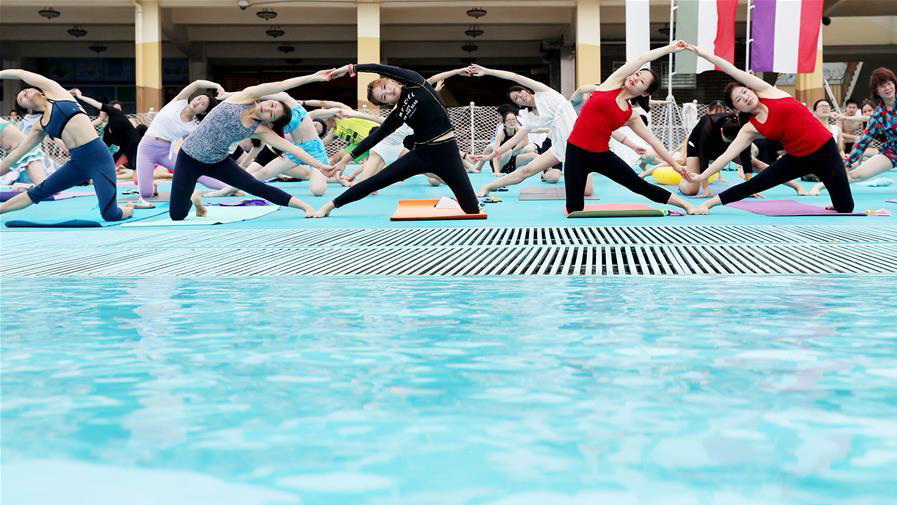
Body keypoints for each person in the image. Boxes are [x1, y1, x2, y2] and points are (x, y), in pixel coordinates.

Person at [684, 44, 854, 214]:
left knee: (846, 207)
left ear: (750, 89)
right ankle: (709, 204)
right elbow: (726, 156)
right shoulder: (749, 128)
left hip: (826, 150)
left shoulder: (768, 91)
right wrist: (701, 176)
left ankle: (838, 200)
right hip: (797, 158)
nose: (745, 98)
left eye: (744, 92)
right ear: (736, 109)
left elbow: (731, 70)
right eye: (739, 99)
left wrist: (704, 54)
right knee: (755, 184)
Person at [314, 64, 479, 217]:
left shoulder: (416, 83)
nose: (388, 93)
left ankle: (450, 201)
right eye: (384, 97)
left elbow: (380, 67)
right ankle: (330, 205)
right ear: (388, 103)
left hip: (447, 153)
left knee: (471, 209)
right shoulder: (399, 113)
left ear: (391, 81)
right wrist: (345, 160)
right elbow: (375, 137)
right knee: (374, 182)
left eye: (385, 88)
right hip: (421, 155)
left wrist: (351, 68)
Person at [170, 69, 335, 220]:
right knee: (178, 215)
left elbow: (292, 148)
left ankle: (304, 206)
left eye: (271, 114)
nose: (268, 109)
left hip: (218, 163)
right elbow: (280, 85)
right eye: (272, 105)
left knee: (255, 186)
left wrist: (320, 166)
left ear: (269, 122)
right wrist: (314, 77)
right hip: (188, 158)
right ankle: (194, 202)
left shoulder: (260, 130)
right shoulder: (245, 97)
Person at [563, 41, 698, 214]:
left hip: (602, 156)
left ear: (645, 93)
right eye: (637, 74)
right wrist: (670, 49)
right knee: (574, 209)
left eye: (641, 81)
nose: (635, 78)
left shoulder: (631, 115)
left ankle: (686, 205)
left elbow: (655, 142)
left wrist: (676, 166)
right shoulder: (611, 84)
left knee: (638, 185)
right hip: (575, 152)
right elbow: (642, 58)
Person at [0, 70, 133, 220]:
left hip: (100, 158)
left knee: (110, 215)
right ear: (26, 108)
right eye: (20, 98)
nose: (24, 92)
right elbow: (18, 153)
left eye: (25, 90)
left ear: (40, 91)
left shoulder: (57, 92)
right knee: (38, 191)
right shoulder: (40, 126)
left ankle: (129, 209)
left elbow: (20, 73)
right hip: (77, 164)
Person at [810, 67, 896, 196]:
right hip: (892, 152)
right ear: (877, 91)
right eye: (882, 86)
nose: (887, 88)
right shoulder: (877, 115)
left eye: (889, 84)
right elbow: (863, 142)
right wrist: (848, 163)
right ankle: (821, 185)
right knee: (856, 175)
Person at [134, 79, 223, 198]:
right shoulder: (179, 101)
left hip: (165, 153)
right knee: (146, 194)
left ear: (203, 112)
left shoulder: (193, 127)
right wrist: (216, 85)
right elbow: (197, 84)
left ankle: (229, 187)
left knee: (197, 173)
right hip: (146, 149)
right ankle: (152, 186)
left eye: (203, 104)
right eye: (199, 98)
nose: (198, 102)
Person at [69, 90, 140, 171]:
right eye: (115, 108)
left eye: (119, 109)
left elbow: (95, 103)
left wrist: (80, 97)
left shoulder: (118, 116)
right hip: (122, 151)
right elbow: (103, 145)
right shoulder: (107, 128)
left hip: (134, 149)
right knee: (108, 166)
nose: (117, 110)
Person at [0, 117, 49, 185]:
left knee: (42, 184)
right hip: (14, 154)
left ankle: (56, 188)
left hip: (27, 152)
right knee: (42, 184)